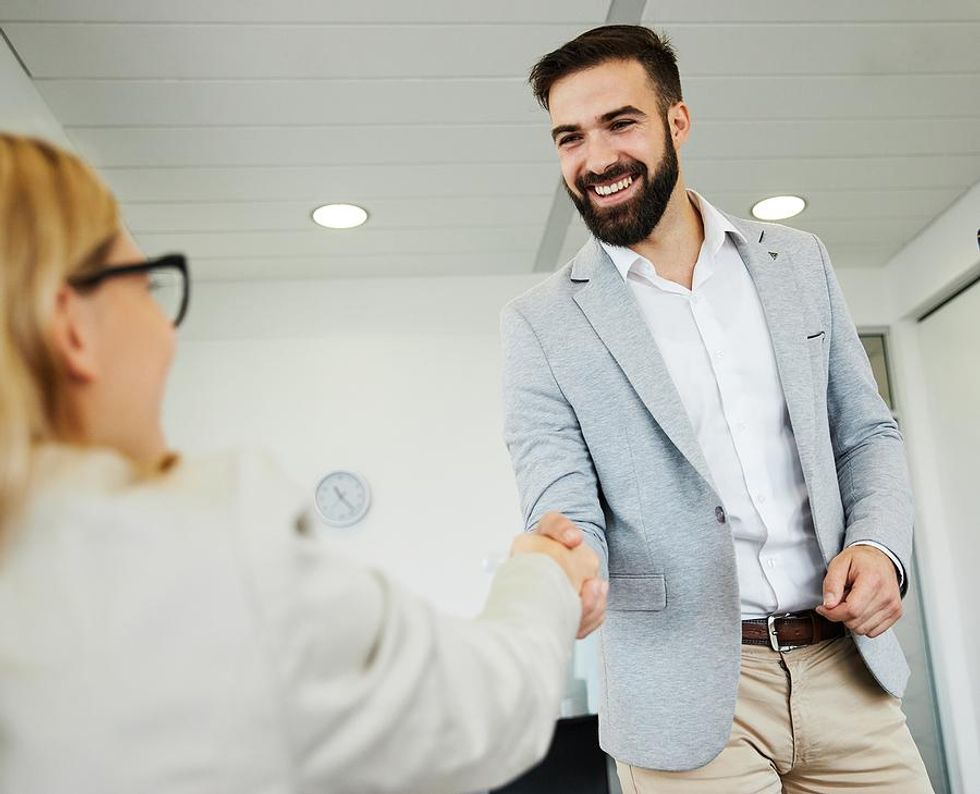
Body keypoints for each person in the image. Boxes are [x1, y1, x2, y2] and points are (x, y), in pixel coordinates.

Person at [0, 133, 606, 794]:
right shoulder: (208, 547)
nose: (165, 333)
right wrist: (542, 574)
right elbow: (478, 709)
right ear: (72, 328)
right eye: (145, 285)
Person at [502, 24, 932, 793]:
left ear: (677, 122)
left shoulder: (797, 262)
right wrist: (566, 566)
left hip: (846, 673)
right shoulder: (541, 323)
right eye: (570, 137)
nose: (596, 159)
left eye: (620, 123)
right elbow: (558, 494)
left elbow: (865, 432)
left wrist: (878, 545)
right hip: (683, 699)